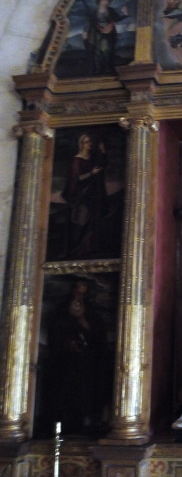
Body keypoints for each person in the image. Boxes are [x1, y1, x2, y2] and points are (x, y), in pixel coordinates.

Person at [47, 281, 110, 435]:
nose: (78, 296)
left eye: (82, 293)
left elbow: (99, 337)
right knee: (63, 395)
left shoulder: (92, 313)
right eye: (77, 292)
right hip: (64, 363)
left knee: (86, 395)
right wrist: (67, 344)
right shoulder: (60, 312)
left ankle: (87, 423)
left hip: (88, 364)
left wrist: (83, 321)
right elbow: (54, 333)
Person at [61, 134, 108, 258]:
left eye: (90, 142)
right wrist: (91, 173)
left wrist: (103, 152)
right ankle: (76, 250)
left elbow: (101, 166)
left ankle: (89, 248)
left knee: (93, 220)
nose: (89, 144)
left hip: (92, 195)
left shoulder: (91, 158)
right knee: (82, 221)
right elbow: (76, 179)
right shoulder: (76, 160)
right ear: (81, 144)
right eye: (86, 142)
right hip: (81, 195)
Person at [82, 0, 128, 75]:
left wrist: (124, 14)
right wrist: (85, 32)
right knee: (96, 52)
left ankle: (107, 69)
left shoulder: (110, 10)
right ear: (99, 0)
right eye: (103, 0)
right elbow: (88, 22)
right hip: (96, 34)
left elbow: (117, 18)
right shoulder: (94, 12)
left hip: (108, 34)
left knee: (106, 51)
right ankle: (97, 70)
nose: (105, 2)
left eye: (107, 0)